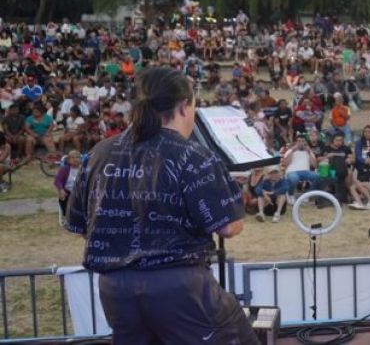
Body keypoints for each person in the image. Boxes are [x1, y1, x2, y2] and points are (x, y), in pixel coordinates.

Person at [64, 66, 256, 344]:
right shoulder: (193, 155)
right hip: (180, 288)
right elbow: (228, 227)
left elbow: (81, 225)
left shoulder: (99, 152)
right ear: (183, 107)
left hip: (115, 288)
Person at [54, 150, 84, 217]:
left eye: (78, 157)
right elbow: (57, 180)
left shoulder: (83, 170)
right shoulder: (65, 169)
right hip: (68, 192)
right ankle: (67, 216)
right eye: (73, 158)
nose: (75, 159)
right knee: (63, 197)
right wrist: (61, 190)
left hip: (81, 193)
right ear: (68, 160)